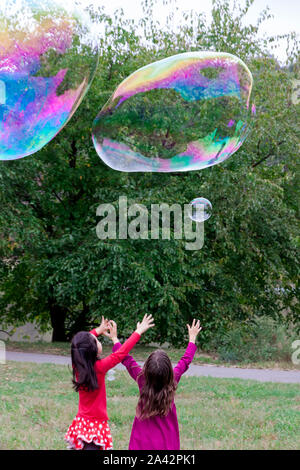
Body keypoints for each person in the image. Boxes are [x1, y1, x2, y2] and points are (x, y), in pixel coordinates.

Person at [108, 318, 202, 450]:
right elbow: (185, 360)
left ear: (147, 368)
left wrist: (115, 339)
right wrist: (192, 338)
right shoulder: (173, 378)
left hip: (142, 442)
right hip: (167, 442)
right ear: (169, 370)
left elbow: (126, 358)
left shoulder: (142, 378)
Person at [64, 314, 154, 450]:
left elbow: (79, 345)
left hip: (82, 423)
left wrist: (98, 331)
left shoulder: (78, 365)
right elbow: (121, 353)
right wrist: (138, 332)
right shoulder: (100, 367)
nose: (99, 341)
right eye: (97, 341)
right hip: (97, 425)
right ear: (93, 350)